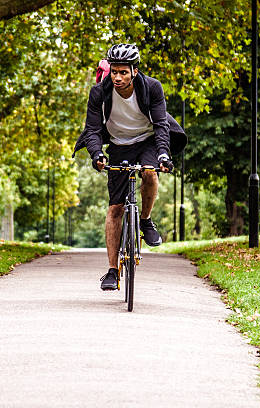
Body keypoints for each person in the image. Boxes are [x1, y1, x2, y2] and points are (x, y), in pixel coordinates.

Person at [72, 43, 186, 291]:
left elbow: (160, 125)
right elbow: (92, 129)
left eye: (123, 72)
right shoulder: (99, 93)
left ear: (134, 71)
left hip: (147, 140)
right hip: (118, 145)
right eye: (114, 72)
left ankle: (145, 221)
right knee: (115, 208)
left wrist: (164, 154)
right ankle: (113, 271)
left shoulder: (152, 88)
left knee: (149, 171)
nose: (118, 77)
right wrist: (96, 154)